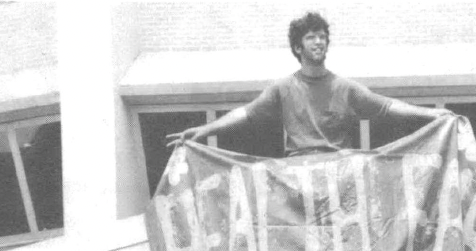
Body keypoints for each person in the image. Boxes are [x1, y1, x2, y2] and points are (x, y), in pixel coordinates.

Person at [166, 11, 450, 155]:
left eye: (323, 36)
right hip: (298, 176)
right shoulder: (283, 88)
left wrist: (431, 113)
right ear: (298, 47)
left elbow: (387, 107)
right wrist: (203, 130)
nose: (319, 41)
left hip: (340, 174)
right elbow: (245, 114)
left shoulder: (345, 88)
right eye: (312, 36)